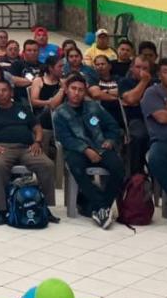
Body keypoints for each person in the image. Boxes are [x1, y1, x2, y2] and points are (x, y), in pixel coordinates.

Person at [0, 80, 57, 225]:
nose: (1, 94)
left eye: (4, 90)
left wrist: (37, 142)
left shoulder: (22, 108)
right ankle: (2, 210)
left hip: (27, 147)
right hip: (3, 148)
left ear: (11, 92)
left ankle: (44, 206)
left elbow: (37, 128)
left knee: (47, 164)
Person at [53, 74, 124, 228]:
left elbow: (113, 126)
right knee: (77, 168)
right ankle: (101, 206)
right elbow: (65, 138)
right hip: (76, 150)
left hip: (100, 147)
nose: (77, 93)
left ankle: (100, 208)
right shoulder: (59, 113)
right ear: (66, 90)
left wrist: (110, 140)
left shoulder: (94, 107)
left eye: (80, 90)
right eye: (73, 89)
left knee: (118, 167)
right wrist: (85, 149)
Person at [119, 56, 155, 175]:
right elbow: (131, 99)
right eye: (138, 67)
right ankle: (136, 175)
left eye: (145, 68)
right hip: (136, 119)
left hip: (156, 119)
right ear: (132, 68)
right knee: (139, 136)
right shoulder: (125, 82)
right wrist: (143, 82)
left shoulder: (155, 83)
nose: (141, 71)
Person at [142, 58, 167, 202]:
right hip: (163, 141)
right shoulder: (152, 93)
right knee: (155, 159)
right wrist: (166, 112)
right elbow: (162, 118)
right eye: (166, 72)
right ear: (159, 75)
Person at [30, 56, 65, 151]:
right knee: (49, 110)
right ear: (50, 68)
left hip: (59, 114)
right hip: (42, 114)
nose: (63, 69)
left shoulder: (63, 82)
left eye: (64, 66)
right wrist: (48, 102)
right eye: (60, 66)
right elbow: (34, 101)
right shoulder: (39, 81)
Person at [89, 55, 122, 129]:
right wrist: (116, 97)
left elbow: (123, 91)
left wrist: (105, 91)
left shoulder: (118, 78)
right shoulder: (93, 79)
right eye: (97, 64)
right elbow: (96, 94)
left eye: (103, 64)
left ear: (110, 66)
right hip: (99, 112)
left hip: (118, 112)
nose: (100, 66)